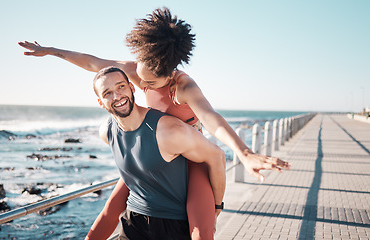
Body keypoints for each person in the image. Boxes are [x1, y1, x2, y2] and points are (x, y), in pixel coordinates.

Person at [19, 7, 290, 239]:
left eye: (150, 83)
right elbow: (92, 63)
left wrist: (244, 153)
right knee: (111, 209)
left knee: (202, 231)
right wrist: (50, 51)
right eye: (139, 77)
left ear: (169, 74)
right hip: (154, 151)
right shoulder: (137, 70)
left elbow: (211, 117)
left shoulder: (183, 86)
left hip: (189, 156)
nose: (141, 85)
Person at [92, 66, 226, 239]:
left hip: (173, 225)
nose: (117, 96)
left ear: (132, 88)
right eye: (107, 93)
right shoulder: (107, 132)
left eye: (121, 87)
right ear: (101, 102)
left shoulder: (168, 130)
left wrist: (216, 205)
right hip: (133, 220)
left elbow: (217, 156)